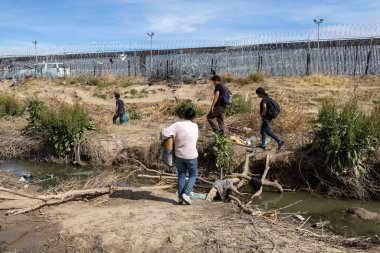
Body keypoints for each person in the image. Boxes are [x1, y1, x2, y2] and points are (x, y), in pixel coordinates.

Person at [161, 108, 199, 205]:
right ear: (193, 117)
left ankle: (180, 198)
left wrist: (164, 130)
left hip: (179, 155)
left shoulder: (177, 125)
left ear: (183, 115)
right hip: (192, 155)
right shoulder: (195, 126)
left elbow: (164, 133)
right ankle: (186, 194)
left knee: (181, 175)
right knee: (193, 175)